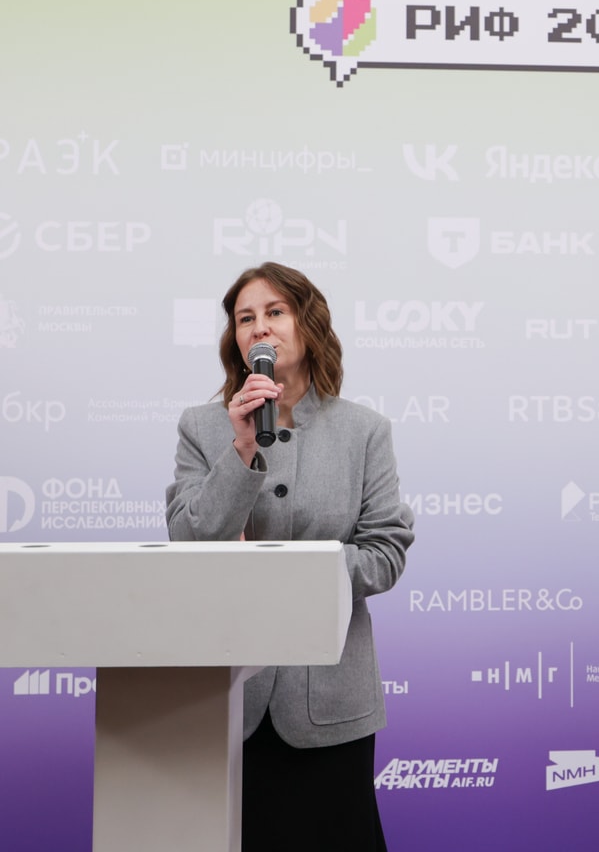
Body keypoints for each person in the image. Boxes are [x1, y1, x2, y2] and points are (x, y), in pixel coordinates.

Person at [165, 262, 414, 852]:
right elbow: (189, 540)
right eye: (245, 318)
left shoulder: (364, 431)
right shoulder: (202, 427)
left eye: (275, 312)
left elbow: (384, 551)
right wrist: (241, 447)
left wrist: (294, 575)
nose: (260, 328)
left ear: (308, 323)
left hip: (331, 700)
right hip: (227, 702)